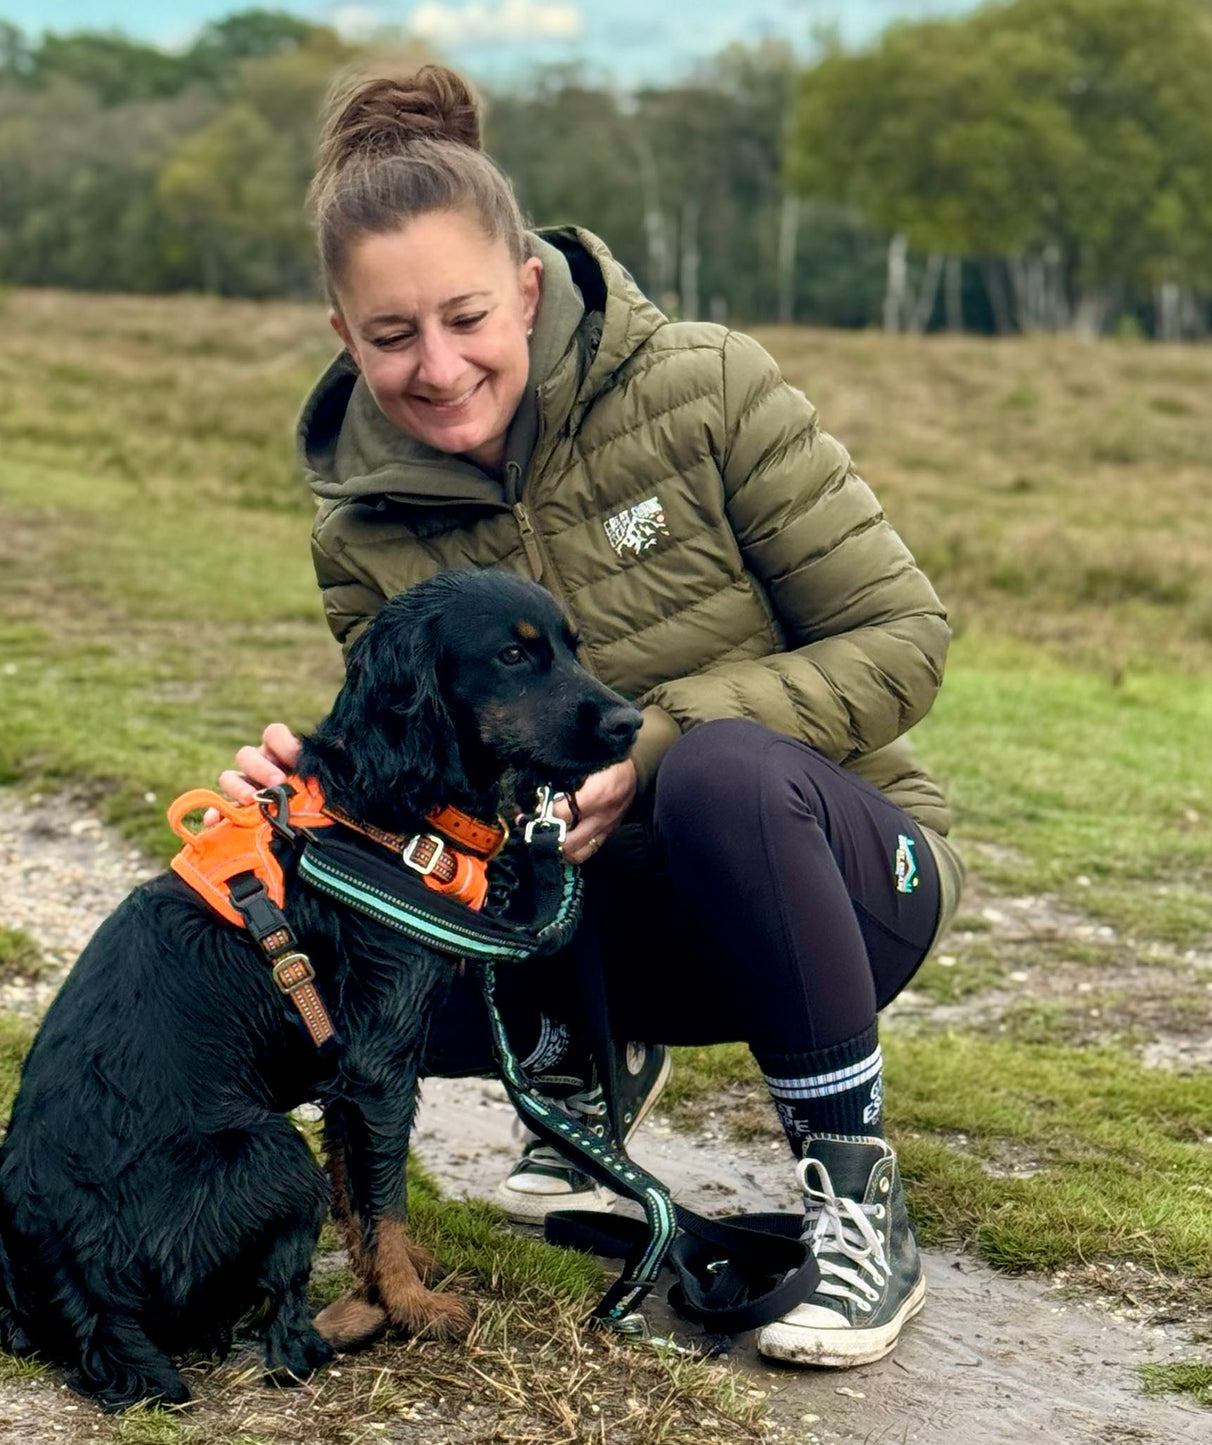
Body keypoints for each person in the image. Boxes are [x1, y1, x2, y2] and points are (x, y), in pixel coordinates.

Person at [219, 63, 964, 1369]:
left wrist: (665, 738)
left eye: (463, 318)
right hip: (566, 915)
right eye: (391, 339)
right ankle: (546, 1070)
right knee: (263, 941)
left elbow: (903, 641)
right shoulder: (359, 532)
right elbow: (427, 779)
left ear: (522, 286)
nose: (438, 368)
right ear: (344, 335)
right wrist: (309, 797)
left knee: (723, 770)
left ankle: (856, 1211)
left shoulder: (709, 384)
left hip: (832, 878)